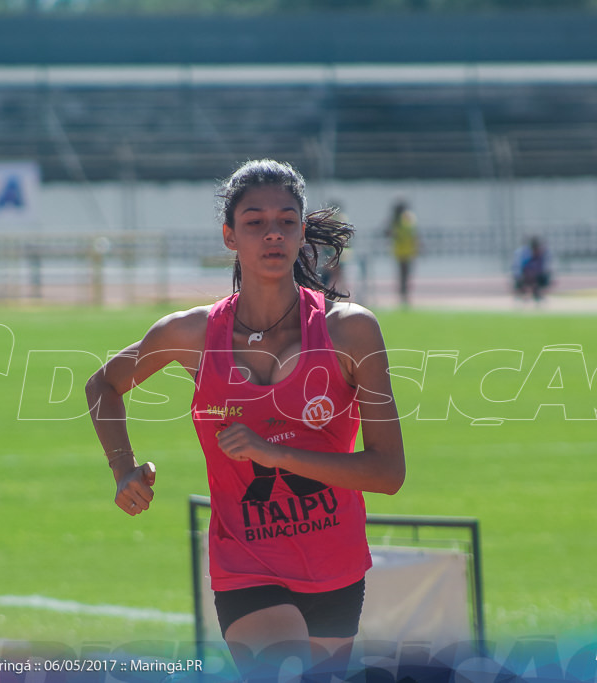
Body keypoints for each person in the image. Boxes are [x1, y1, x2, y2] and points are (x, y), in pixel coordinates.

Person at [85, 160, 406, 682]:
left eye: (286, 220)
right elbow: (103, 385)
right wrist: (122, 468)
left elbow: (388, 473)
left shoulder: (350, 332)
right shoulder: (190, 333)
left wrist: (273, 453)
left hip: (336, 566)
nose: (272, 234)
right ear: (230, 236)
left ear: (303, 232)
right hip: (245, 566)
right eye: (254, 222)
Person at [385, 200, 419, 306]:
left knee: (404, 274)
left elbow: (412, 234)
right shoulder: (400, 219)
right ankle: (403, 295)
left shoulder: (401, 219)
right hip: (403, 251)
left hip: (404, 250)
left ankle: (404, 295)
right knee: (403, 274)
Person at [511, 236, 552, 301]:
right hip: (524, 274)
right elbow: (517, 268)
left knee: (544, 277)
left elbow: (543, 269)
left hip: (535, 275)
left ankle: (537, 293)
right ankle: (521, 293)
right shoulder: (523, 254)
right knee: (519, 278)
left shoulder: (541, 255)